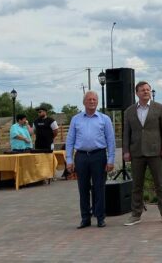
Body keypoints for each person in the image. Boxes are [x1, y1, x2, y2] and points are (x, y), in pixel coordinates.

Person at [122, 81, 162, 226]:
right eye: (142, 90)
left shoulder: (159, 108)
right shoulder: (129, 111)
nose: (146, 92)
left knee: (160, 184)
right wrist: (126, 151)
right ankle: (136, 214)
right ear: (136, 93)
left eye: (148, 89)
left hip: (155, 151)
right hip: (136, 152)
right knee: (137, 185)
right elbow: (126, 133)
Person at [65, 91, 115, 229]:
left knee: (99, 187)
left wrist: (111, 160)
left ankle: (100, 217)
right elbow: (70, 141)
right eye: (89, 99)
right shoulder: (76, 119)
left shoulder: (104, 119)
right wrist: (69, 160)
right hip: (81, 156)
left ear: (97, 102)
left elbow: (111, 141)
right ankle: (85, 218)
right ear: (84, 102)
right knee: (83, 188)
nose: (92, 101)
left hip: (99, 156)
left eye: (94, 99)